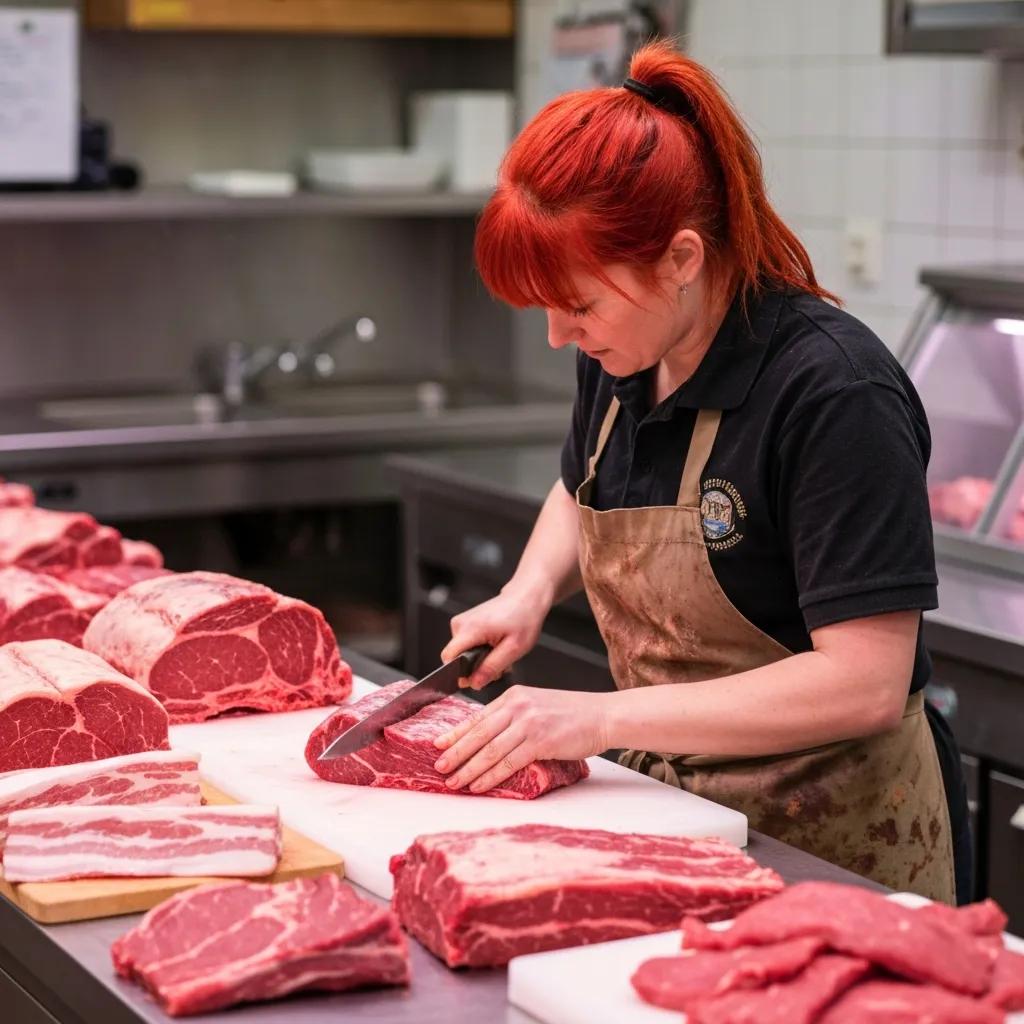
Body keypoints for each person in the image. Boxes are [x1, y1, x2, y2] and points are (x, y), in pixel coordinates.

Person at [431, 40, 971, 905]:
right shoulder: (621, 355)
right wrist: (529, 591)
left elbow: (864, 681)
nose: (558, 337)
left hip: (833, 854)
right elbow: (584, 490)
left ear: (681, 259)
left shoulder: (833, 389)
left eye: (579, 305)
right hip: (677, 822)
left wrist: (597, 718)